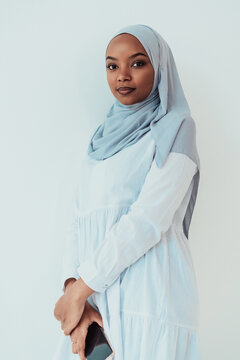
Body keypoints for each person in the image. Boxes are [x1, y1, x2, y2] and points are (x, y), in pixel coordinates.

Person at [53, 24, 201, 360]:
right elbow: (78, 220)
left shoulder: (176, 128)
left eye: (137, 63)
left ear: (159, 67)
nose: (123, 76)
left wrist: (79, 291)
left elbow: (148, 219)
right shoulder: (100, 137)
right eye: (112, 66)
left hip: (150, 296)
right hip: (93, 303)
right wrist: (75, 294)